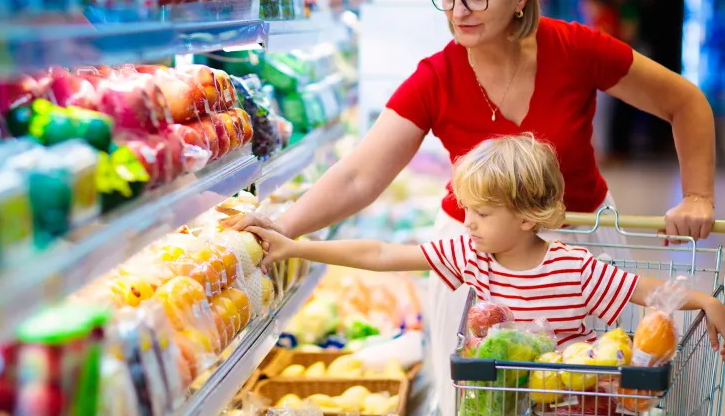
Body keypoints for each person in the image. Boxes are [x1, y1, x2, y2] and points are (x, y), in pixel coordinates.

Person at [223, 0, 716, 416]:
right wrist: (284, 227)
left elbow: (685, 103)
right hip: (478, 263)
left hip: (582, 254)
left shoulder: (575, 49)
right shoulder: (436, 77)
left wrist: (699, 194)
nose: (459, 13)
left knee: (593, 412)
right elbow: (358, 177)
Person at [246, 134, 725, 355]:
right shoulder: (470, 255)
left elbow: (641, 289)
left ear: (526, 217)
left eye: (482, 213)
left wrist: (704, 300)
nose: (467, 223)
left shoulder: (574, 268)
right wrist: (294, 245)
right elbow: (380, 255)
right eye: (467, 210)